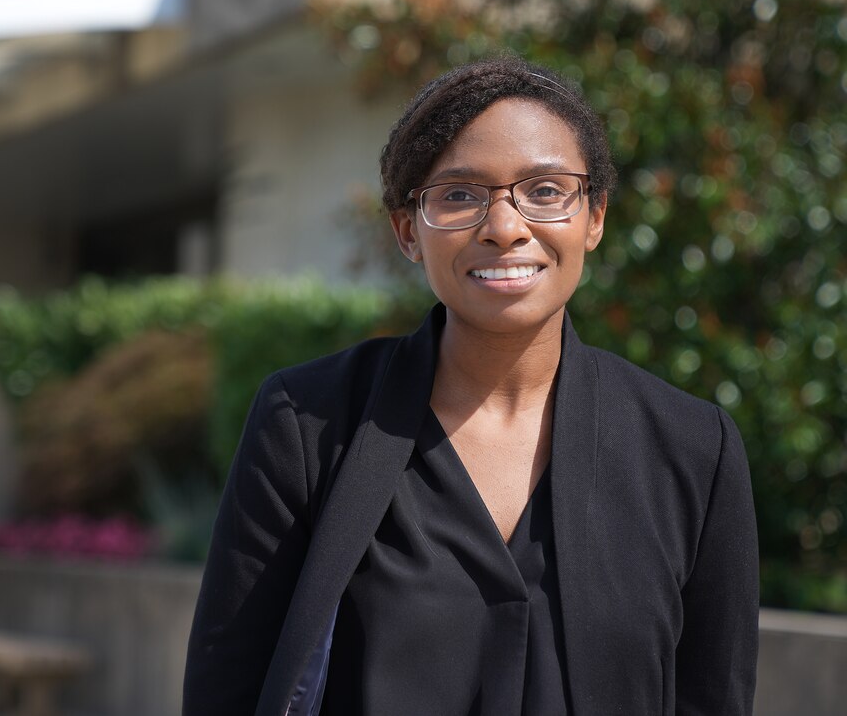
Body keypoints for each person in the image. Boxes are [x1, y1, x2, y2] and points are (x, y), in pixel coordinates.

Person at [183, 55, 759, 715]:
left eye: (545, 190)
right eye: (460, 195)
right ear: (407, 231)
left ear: (594, 216)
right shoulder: (309, 425)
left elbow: (715, 698)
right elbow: (223, 690)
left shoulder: (692, 449)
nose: (505, 227)